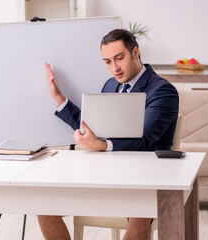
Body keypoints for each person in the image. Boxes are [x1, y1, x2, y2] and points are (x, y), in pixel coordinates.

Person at [38, 29, 179, 240]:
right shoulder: (111, 85)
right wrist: (59, 98)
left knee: (139, 216)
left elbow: (144, 138)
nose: (114, 68)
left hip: (144, 180)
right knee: (43, 206)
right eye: (107, 61)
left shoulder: (163, 91)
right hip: (104, 174)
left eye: (119, 58)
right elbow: (94, 129)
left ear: (136, 53)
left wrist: (101, 146)